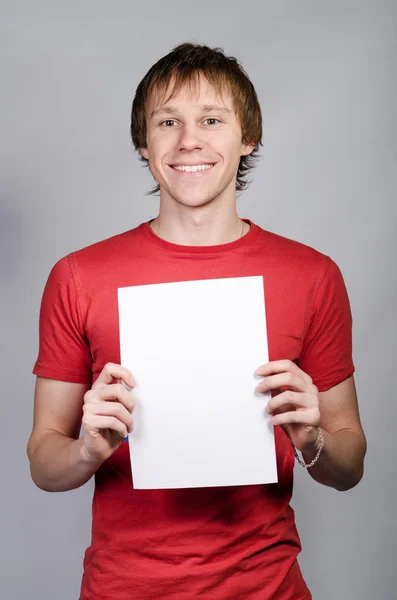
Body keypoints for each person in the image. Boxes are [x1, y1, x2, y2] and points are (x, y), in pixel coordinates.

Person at [27, 42, 367, 599]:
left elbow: (349, 465)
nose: (190, 140)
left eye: (212, 119)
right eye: (168, 121)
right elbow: (45, 461)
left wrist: (312, 439)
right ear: (144, 142)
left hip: (269, 588)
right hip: (123, 589)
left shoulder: (312, 275)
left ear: (247, 136)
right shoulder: (78, 276)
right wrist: (88, 449)